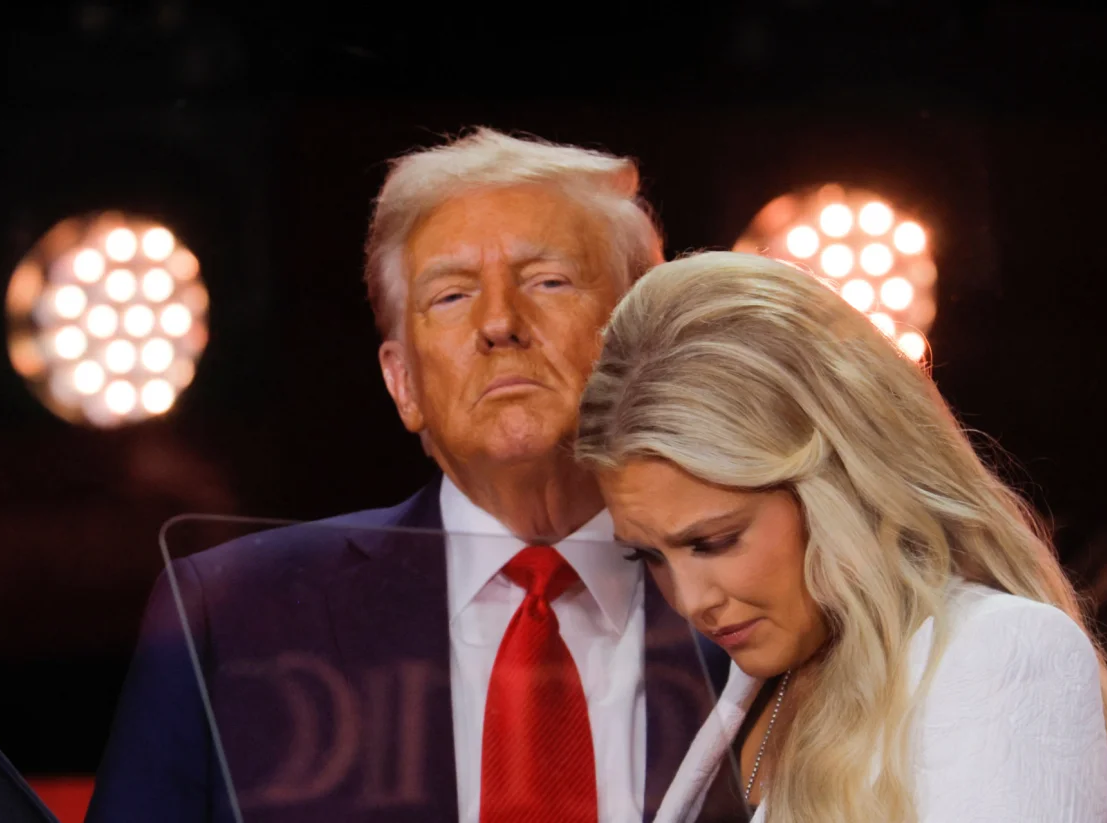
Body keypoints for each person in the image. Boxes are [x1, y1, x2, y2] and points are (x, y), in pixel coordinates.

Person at [86, 130, 731, 823]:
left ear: (643, 342)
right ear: (402, 383)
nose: (499, 323)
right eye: (451, 296)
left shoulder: (766, 607)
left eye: (548, 280)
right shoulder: (230, 615)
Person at [576, 251, 1107, 822]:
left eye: (716, 541)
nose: (690, 601)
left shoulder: (998, 651)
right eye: (648, 555)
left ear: (840, 485)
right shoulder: (751, 681)